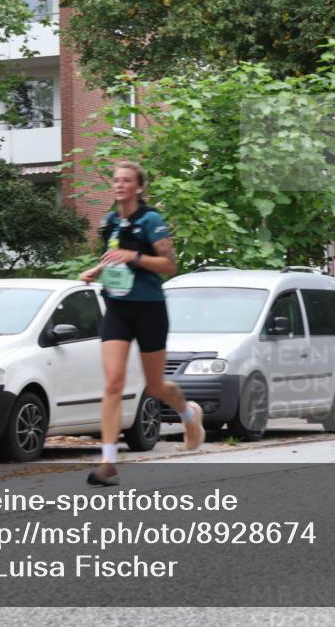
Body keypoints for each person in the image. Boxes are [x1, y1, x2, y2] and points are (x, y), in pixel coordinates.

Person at [80, 161, 204, 486]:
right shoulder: (110, 221)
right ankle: (108, 462)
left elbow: (169, 265)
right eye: (116, 180)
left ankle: (189, 414)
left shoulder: (151, 220)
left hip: (149, 309)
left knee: (155, 386)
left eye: (126, 180)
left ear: (139, 187)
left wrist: (134, 257)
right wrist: (97, 270)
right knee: (113, 382)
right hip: (117, 309)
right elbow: (113, 257)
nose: (119, 185)